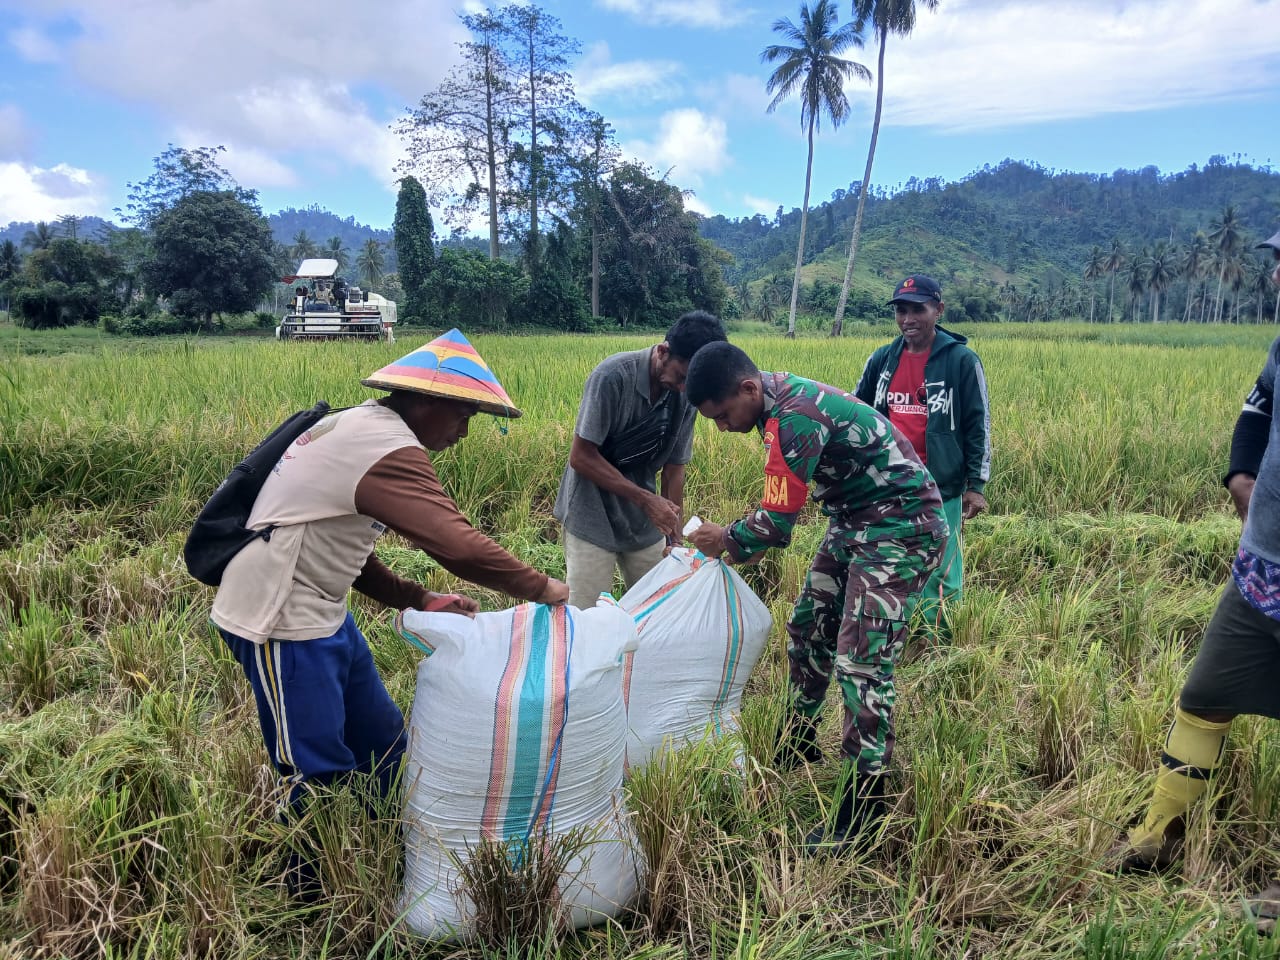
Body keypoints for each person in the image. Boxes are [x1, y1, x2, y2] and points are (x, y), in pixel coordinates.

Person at [211, 328, 569, 822]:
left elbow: (343, 550)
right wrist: (543, 586)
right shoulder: (382, 443)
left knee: (383, 745)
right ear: (425, 401)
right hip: (280, 619)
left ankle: (386, 845)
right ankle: (313, 889)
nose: (463, 433)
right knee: (317, 774)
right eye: (464, 416)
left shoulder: (368, 430)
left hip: (326, 611)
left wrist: (418, 599)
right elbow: (457, 545)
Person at [684, 342, 947, 853]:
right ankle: (799, 738)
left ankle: (863, 811)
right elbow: (775, 520)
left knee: (861, 663)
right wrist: (744, 542)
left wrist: (729, 538)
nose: (723, 427)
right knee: (809, 627)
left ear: (748, 388)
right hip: (855, 521)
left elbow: (776, 523)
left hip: (902, 524)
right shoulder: (776, 405)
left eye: (723, 415)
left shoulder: (796, 416)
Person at [1116, 229, 1280, 930]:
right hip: (1263, 568)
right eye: (1278, 262)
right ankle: (1159, 834)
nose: (1278, 276)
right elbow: (1258, 405)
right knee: (1206, 693)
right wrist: (1241, 471)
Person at [554, 310, 727, 609]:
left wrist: (675, 539)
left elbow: (674, 469)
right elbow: (581, 457)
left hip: (644, 520)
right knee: (586, 617)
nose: (685, 388)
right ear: (663, 351)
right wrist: (647, 501)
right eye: (682, 377)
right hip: (590, 512)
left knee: (659, 606)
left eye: (692, 382)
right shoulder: (612, 377)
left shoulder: (687, 395)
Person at [855, 274, 990, 641]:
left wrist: (975, 486)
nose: (908, 319)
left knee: (942, 567)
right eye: (901, 310)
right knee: (892, 561)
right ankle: (894, 636)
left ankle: (937, 640)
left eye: (918, 309)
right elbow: (857, 413)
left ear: (938, 310)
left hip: (940, 485)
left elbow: (978, 424)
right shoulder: (882, 359)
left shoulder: (961, 361)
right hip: (887, 484)